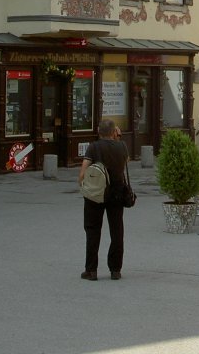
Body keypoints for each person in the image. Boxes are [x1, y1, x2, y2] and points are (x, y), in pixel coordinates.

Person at [78, 118, 129, 280]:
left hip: (96, 195)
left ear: (99, 132)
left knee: (92, 230)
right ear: (114, 132)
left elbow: (82, 173)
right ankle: (115, 270)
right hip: (117, 194)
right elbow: (125, 161)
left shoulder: (94, 148)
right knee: (117, 231)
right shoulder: (122, 146)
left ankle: (91, 270)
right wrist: (118, 138)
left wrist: (83, 185)